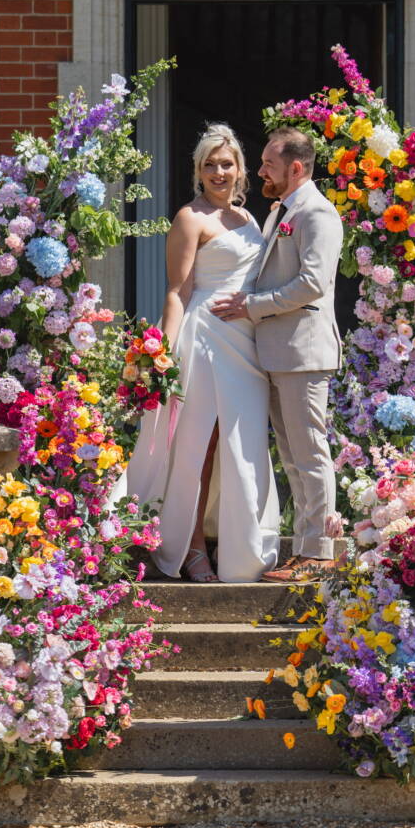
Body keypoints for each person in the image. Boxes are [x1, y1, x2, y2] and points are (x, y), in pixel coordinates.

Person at [118, 123, 280, 583]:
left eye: (226, 164)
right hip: (205, 339)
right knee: (199, 444)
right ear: (198, 171)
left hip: (247, 346)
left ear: (240, 170)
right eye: (209, 165)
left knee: (243, 444)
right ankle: (188, 548)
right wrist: (163, 352)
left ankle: (241, 550)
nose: (218, 172)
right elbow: (177, 290)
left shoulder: (250, 222)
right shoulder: (190, 218)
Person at [212, 126, 344, 581]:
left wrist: (251, 306)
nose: (261, 169)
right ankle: (306, 549)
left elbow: (312, 283)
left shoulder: (317, 214)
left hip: (304, 352)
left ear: (295, 167)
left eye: (269, 163)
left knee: (309, 453)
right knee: (293, 456)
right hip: (279, 351)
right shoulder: (280, 212)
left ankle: (321, 552)